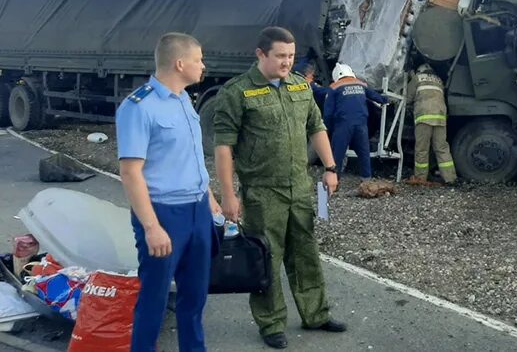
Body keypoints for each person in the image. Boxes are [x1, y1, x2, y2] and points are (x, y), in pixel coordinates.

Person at [213, 27, 346, 350]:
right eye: (280, 56)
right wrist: (228, 195)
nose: (287, 62)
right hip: (262, 192)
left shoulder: (300, 86)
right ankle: (271, 322)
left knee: (306, 254)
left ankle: (315, 313)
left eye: (290, 56)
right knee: (267, 258)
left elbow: (317, 127)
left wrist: (330, 168)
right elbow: (224, 148)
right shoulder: (238, 92)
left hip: (299, 188)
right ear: (261, 54)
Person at [116, 32, 222, 352]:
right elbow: (130, 172)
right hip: (164, 214)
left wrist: (211, 199)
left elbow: (189, 158)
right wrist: (151, 227)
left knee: (194, 298)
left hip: (197, 210)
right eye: (198, 60)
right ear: (180, 63)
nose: (203, 66)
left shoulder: (184, 102)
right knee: (154, 300)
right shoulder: (139, 107)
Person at [323, 63, 387, 178]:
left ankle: (334, 181)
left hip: (343, 125)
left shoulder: (334, 87)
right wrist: (385, 99)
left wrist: (328, 129)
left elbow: (328, 112)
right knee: (364, 154)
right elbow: (374, 96)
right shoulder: (360, 84)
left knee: (337, 154)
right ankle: (366, 182)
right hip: (361, 124)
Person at [407, 63, 456, 184]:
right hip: (440, 118)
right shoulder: (438, 80)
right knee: (442, 148)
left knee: (422, 149)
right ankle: (450, 178)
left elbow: (408, 98)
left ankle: (420, 178)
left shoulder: (417, 78)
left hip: (424, 117)